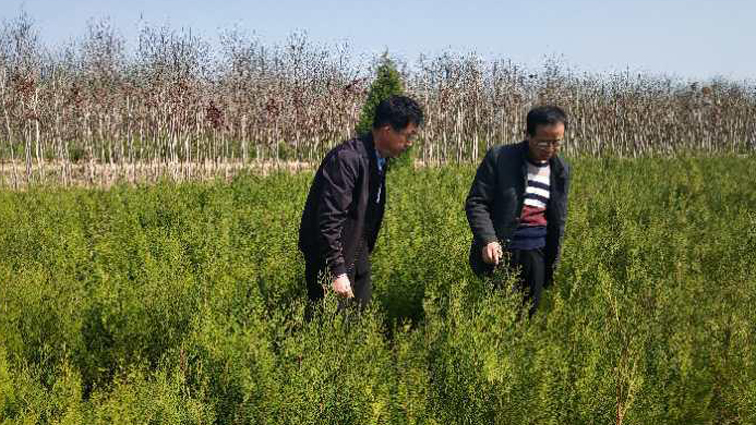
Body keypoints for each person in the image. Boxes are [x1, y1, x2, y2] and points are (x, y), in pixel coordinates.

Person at [299, 95, 424, 310]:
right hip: (331, 261)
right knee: (327, 330)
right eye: (407, 136)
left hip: (357, 254)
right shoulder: (348, 159)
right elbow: (328, 220)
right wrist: (337, 271)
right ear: (387, 130)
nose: (409, 143)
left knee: (357, 326)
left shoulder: (378, 159)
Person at [465, 106, 570, 316]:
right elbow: (476, 202)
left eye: (556, 142)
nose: (550, 148)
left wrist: (553, 261)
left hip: (537, 255)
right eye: (543, 141)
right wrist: (488, 240)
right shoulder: (501, 158)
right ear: (528, 135)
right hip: (502, 253)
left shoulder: (560, 170)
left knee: (526, 320)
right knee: (497, 318)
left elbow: (558, 219)